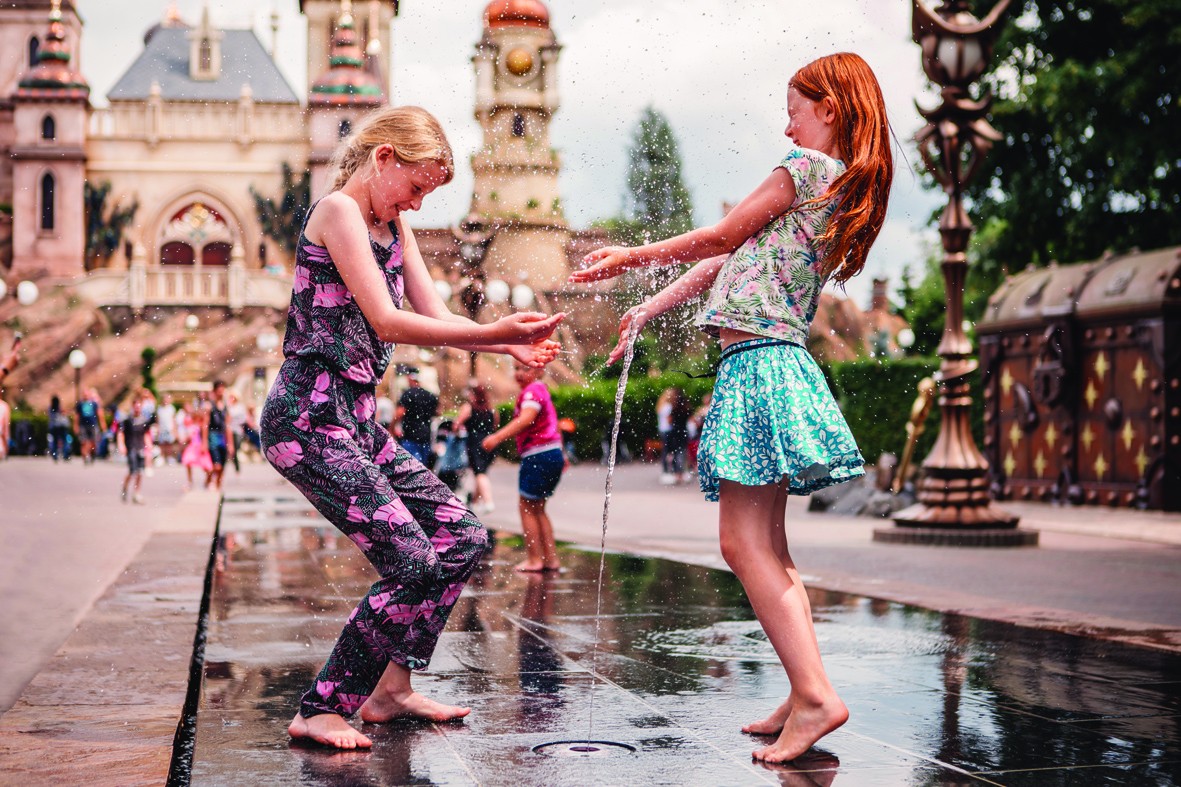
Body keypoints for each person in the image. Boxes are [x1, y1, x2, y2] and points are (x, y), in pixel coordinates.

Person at [571, 53, 893, 763]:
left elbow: (717, 237)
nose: (787, 124)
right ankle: (800, 687)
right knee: (769, 546)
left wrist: (631, 257)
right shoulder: (833, 187)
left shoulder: (804, 168)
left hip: (758, 367)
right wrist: (651, 305)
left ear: (829, 111)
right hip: (774, 361)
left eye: (795, 109)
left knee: (740, 544)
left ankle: (814, 695)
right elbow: (726, 261)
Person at [258, 105, 562, 750]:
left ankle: (391, 689)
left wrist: (505, 344)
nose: (420, 203)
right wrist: (496, 334)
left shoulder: (391, 222)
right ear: (384, 158)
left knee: (461, 537)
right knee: (408, 559)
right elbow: (390, 320)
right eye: (418, 186)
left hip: (358, 423)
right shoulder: (338, 211)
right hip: (307, 420)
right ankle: (322, 707)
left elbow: (433, 309)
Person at [481, 362, 564, 573]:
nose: (518, 373)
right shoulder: (541, 390)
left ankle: (535, 559)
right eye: (516, 368)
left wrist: (497, 437)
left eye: (524, 369)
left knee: (526, 506)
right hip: (550, 452)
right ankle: (550, 559)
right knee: (538, 508)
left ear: (539, 371)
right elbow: (550, 423)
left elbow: (527, 419)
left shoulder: (533, 390)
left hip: (537, 454)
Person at [454, 383, 497, 515]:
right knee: (481, 473)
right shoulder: (491, 409)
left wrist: (457, 432)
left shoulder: (469, 408)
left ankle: (488, 501)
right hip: (490, 443)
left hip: (475, 443)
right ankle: (474, 501)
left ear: (474, 395)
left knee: (479, 473)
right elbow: (495, 425)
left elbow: (456, 425)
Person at [394, 370, 437, 466]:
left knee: (409, 466)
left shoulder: (407, 394)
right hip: (426, 436)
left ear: (409, 378)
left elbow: (400, 413)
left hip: (410, 436)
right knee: (422, 466)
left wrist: (392, 428)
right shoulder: (430, 395)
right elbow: (437, 412)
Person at [117, 391, 152, 504]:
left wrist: (149, 446)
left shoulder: (144, 420)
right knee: (132, 471)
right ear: (133, 406)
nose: (137, 408)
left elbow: (146, 434)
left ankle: (137, 493)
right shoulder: (127, 420)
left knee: (140, 472)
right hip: (131, 447)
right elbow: (120, 433)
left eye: (139, 406)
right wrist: (121, 445)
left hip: (140, 447)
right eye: (135, 406)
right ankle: (125, 488)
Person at [656, 387, 690, 485]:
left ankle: (669, 472)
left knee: (668, 452)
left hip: (665, 430)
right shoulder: (671, 406)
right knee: (676, 452)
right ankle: (677, 472)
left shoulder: (662, 405)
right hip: (671, 431)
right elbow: (669, 419)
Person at [205, 380, 233, 490]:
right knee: (217, 465)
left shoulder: (226, 406)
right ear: (214, 391)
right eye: (219, 391)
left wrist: (230, 444)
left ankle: (218, 486)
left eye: (222, 390)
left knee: (222, 466)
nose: (221, 393)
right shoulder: (209, 405)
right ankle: (208, 479)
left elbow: (228, 426)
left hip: (223, 437)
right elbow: (205, 425)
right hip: (213, 436)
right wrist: (203, 442)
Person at [181, 402, 212, 491]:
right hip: (192, 446)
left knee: (207, 467)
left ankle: (208, 481)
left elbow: (204, 436)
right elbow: (189, 436)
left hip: (199, 446)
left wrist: (204, 445)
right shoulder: (192, 424)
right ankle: (190, 481)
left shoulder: (202, 425)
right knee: (188, 461)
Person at [73, 387, 105, 464]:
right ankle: (85, 457)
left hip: (93, 425)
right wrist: (75, 426)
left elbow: (99, 414)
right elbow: (77, 416)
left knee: (93, 442)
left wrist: (103, 424)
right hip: (83, 425)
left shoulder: (94, 404)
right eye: (84, 394)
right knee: (83, 442)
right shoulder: (80, 404)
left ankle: (92, 454)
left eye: (87, 394)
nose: (85, 396)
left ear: (89, 395)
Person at [47, 395, 72, 462]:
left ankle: (55, 456)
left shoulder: (50, 408)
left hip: (54, 427)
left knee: (55, 441)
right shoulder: (60, 408)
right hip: (62, 426)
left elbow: (49, 416)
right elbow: (64, 415)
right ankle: (65, 455)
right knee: (64, 441)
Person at [156, 394, 178, 464]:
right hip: (162, 428)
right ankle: (162, 457)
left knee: (169, 444)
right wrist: (158, 428)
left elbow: (174, 419)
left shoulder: (171, 408)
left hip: (169, 428)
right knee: (162, 443)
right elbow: (158, 419)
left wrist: (174, 430)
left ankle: (169, 457)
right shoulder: (159, 408)